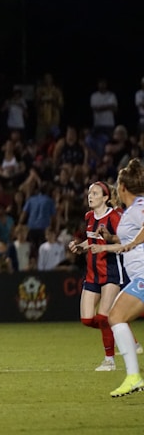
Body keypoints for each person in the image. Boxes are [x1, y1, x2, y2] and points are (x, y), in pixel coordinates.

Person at [67, 181, 140, 371]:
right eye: (89, 192)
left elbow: (126, 241)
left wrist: (108, 241)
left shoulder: (115, 217)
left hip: (111, 272)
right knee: (87, 319)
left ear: (106, 198)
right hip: (92, 273)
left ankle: (109, 361)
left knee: (103, 316)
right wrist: (79, 246)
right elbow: (90, 241)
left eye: (95, 193)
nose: (90, 196)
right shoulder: (89, 216)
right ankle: (125, 335)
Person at [88, 159, 144, 396]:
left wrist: (133, 242)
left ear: (122, 188)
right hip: (137, 275)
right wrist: (112, 242)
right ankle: (134, 377)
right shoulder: (132, 210)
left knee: (116, 316)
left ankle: (133, 377)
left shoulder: (139, 206)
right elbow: (128, 239)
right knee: (116, 317)